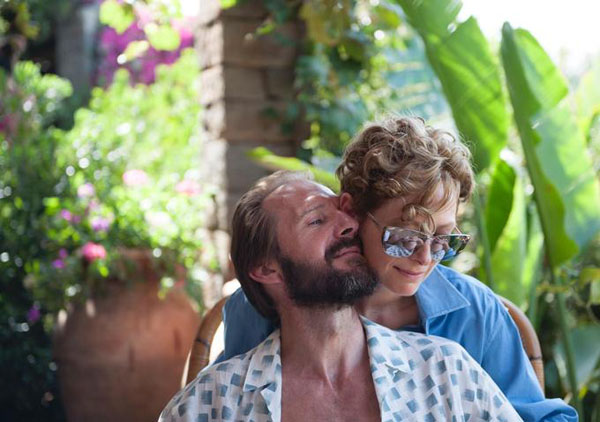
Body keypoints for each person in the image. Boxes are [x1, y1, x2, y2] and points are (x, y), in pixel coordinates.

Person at [217, 117, 577, 421]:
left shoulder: (474, 313)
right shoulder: (277, 301)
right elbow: (230, 401)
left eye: (444, 240)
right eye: (404, 237)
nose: (425, 257)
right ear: (353, 213)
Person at [160, 171, 522, 421]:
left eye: (345, 213)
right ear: (267, 269)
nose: (350, 224)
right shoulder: (209, 405)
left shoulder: (447, 371)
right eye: (316, 221)